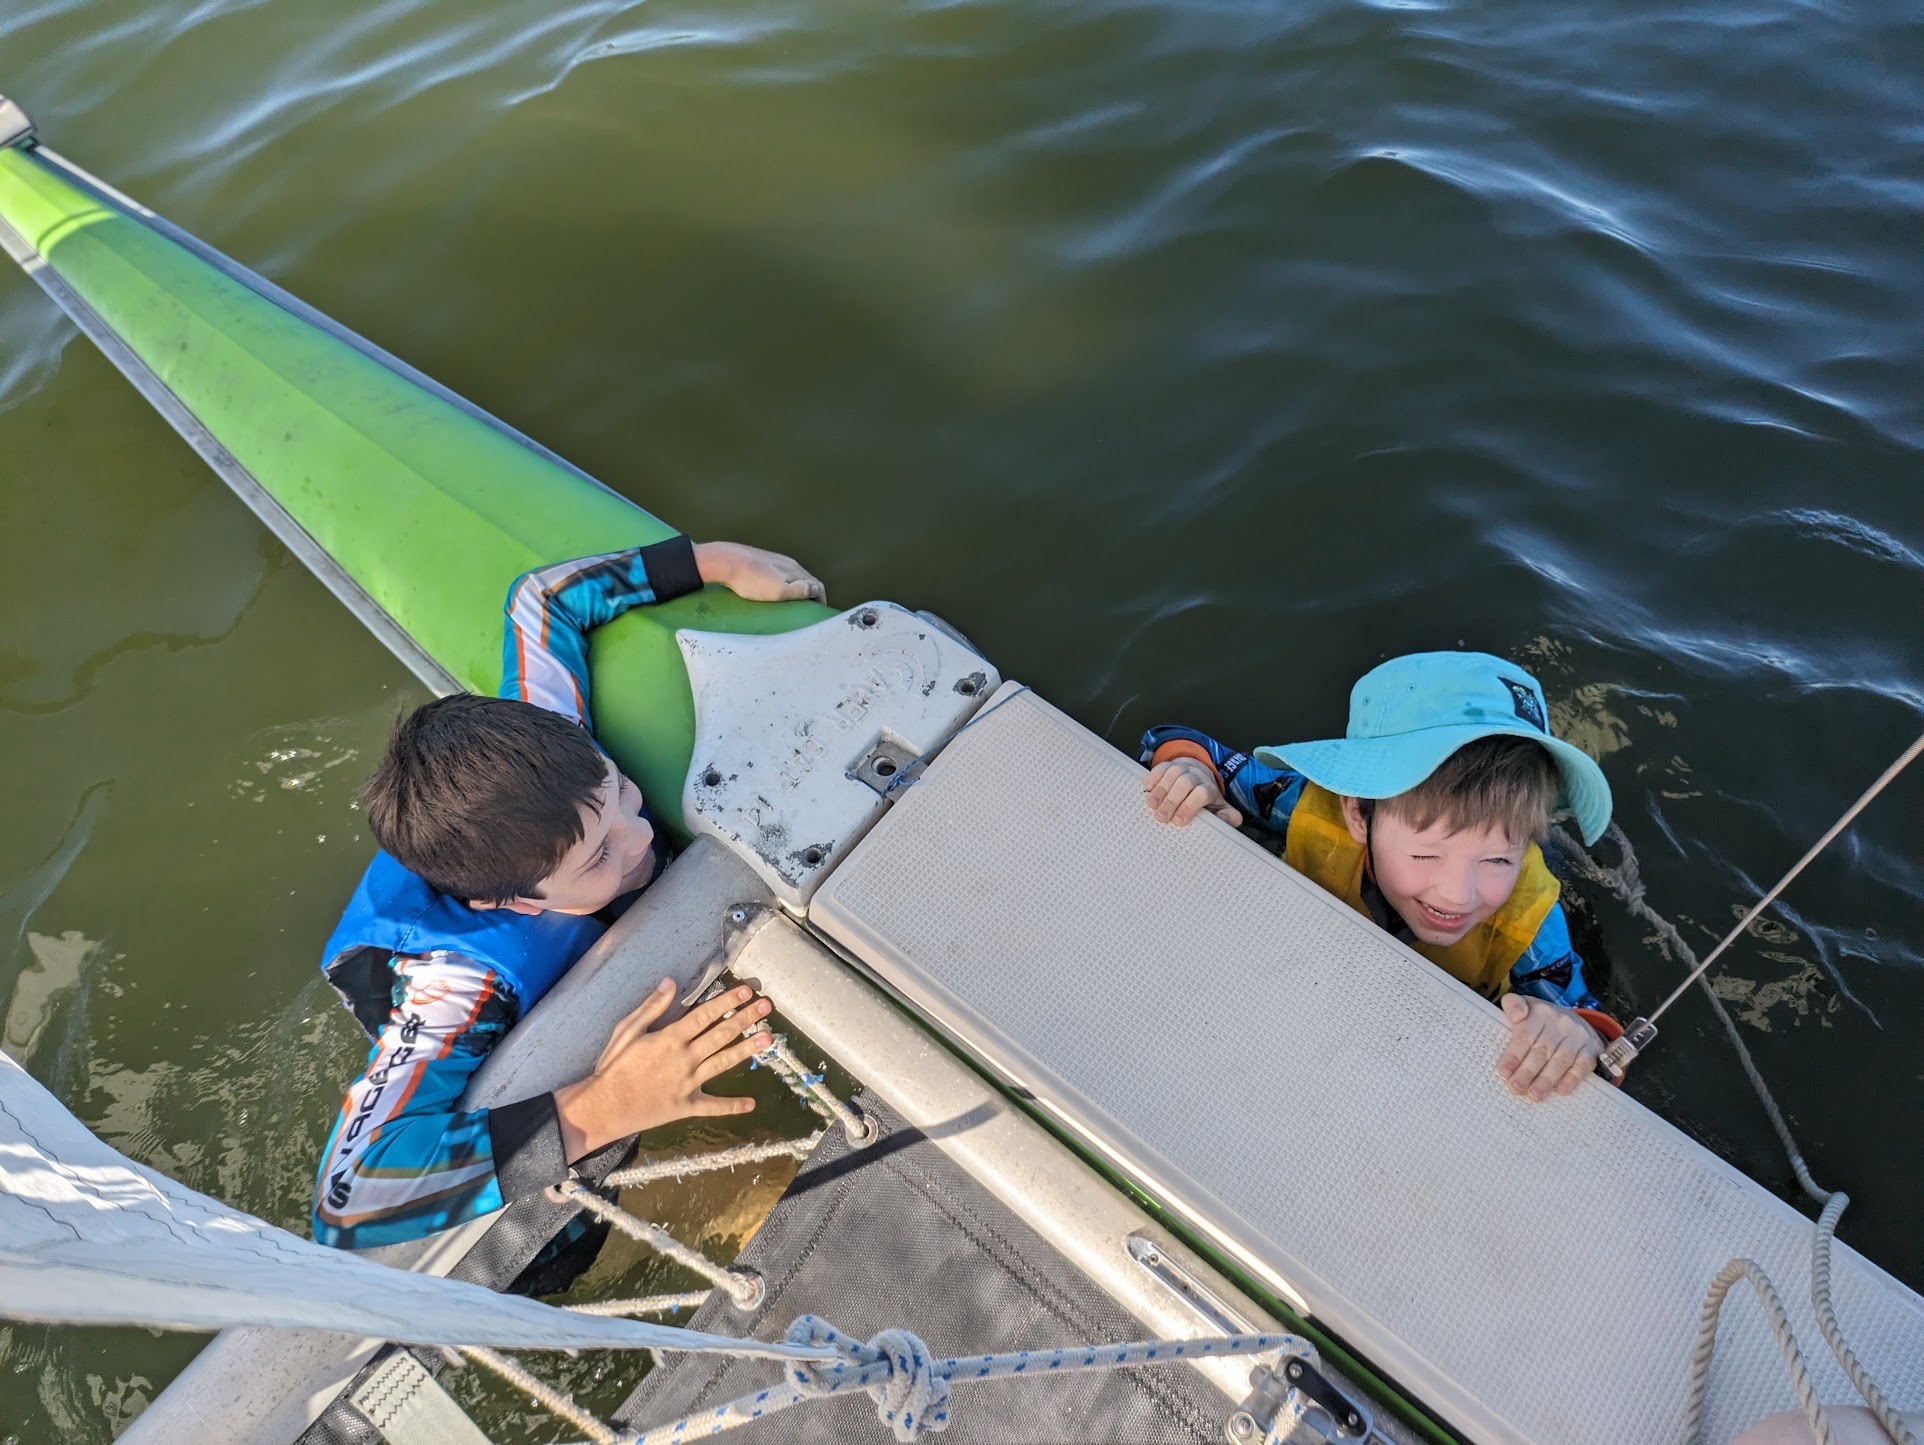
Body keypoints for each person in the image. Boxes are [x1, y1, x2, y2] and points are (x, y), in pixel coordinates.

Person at [312, 535, 826, 1250]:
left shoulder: (556, 753)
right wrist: (612, 1102)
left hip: (549, 892)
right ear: (516, 902)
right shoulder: (457, 989)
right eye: (600, 855)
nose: (640, 835)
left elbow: (542, 599)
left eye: (621, 790)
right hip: (492, 1036)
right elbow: (350, 1199)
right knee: (578, 1216)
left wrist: (710, 563)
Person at [1139, 650, 1624, 1101]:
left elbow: (1586, 1025)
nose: (1459, 894)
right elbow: (1183, 742)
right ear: (1358, 814)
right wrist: (1189, 774)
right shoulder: (1305, 806)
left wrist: (1573, 1034)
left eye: (1498, 859)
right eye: (1426, 855)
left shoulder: (1533, 918)